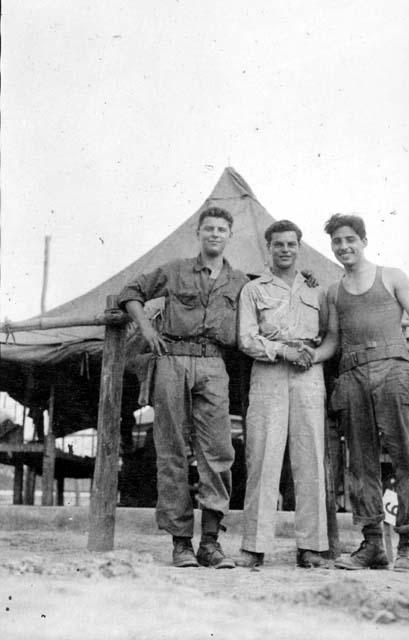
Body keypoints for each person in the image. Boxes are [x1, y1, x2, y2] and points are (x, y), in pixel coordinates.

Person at [117, 207, 248, 568]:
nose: (215, 234)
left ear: (230, 235)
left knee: (219, 451)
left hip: (214, 364)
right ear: (199, 232)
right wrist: (146, 328)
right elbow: (130, 291)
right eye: (209, 228)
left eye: (222, 229)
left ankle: (210, 541)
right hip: (172, 358)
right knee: (171, 449)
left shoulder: (239, 281)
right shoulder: (174, 270)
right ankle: (180, 544)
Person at [236, 220, 338, 569]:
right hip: (268, 373)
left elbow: (329, 335)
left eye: (291, 244)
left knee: (309, 457)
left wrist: (309, 355)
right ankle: (254, 545)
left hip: (309, 375)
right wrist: (282, 351)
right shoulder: (253, 291)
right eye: (278, 244)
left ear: (299, 247)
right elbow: (246, 339)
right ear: (268, 248)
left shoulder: (317, 290)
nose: (284, 250)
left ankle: (311, 546)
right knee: (263, 457)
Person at [324, 213, 409, 571]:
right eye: (337, 241)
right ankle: (372, 546)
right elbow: (333, 341)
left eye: (350, 239)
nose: (344, 246)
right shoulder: (332, 290)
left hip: (394, 370)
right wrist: (305, 354)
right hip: (352, 375)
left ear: (363, 241)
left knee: (406, 457)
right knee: (361, 463)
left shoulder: (391, 276)